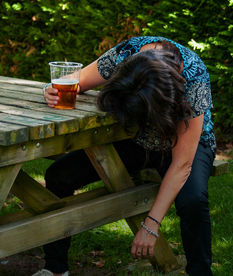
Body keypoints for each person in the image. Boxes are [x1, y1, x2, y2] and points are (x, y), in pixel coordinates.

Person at [34, 36, 216, 276]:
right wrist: (50, 90)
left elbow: (182, 164)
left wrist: (150, 226)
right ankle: (55, 269)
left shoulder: (194, 75)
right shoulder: (126, 54)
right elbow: (76, 82)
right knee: (58, 174)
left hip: (187, 143)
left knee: (193, 200)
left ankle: (200, 272)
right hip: (136, 141)